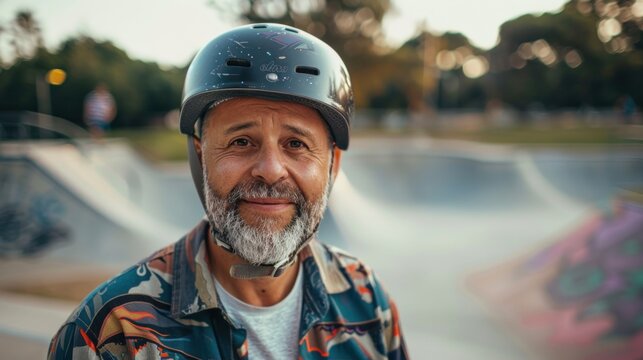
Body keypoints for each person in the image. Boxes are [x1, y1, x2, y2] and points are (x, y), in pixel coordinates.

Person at [49, 23, 408, 359]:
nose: (270, 170)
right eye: (241, 141)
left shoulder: (366, 300)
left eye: (296, 144)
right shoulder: (111, 333)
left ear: (333, 165)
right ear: (200, 154)